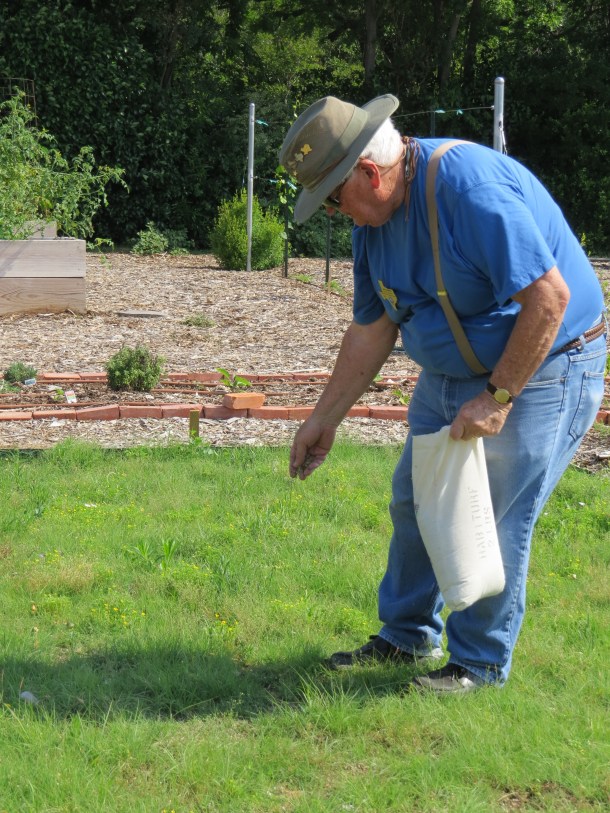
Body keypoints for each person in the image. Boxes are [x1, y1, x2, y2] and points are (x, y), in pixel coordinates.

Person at [278, 94, 607, 693]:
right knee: (416, 500)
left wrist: (499, 397)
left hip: (546, 365)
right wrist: (325, 417)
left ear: (369, 174)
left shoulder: (467, 188)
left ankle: (478, 665)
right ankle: (406, 639)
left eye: (332, 198)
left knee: (490, 509)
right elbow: (371, 330)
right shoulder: (371, 227)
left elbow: (549, 300)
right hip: (449, 377)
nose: (333, 214)